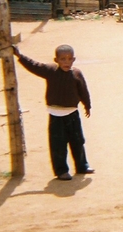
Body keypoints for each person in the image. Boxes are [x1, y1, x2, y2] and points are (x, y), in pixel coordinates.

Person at [12, 44, 94, 181]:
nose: (66, 62)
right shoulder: (50, 71)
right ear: (56, 60)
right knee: (58, 144)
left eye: (69, 59)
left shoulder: (76, 73)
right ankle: (61, 170)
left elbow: (83, 91)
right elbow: (34, 65)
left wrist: (87, 105)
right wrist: (19, 56)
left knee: (78, 141)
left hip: (73, 114)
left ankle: (82, 166)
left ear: (74, 59)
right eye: (62, 59)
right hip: (56, 115)